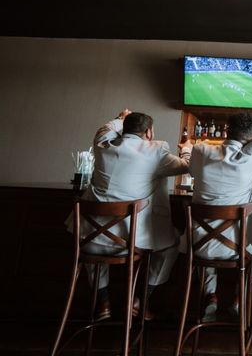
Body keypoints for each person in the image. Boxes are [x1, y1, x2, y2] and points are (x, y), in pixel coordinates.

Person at [70, 109, 192, 321]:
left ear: (124, 128)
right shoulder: (156, 151)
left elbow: (107, 128)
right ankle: (141, 300)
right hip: (129, 241)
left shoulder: (102, 143)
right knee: (171, 246)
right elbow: (187, 166)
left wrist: (121, 118)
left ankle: (103, 301)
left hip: (88, 238)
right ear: (149, 132)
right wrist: (187, 150)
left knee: (94, 249)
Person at [188, 106, 252, 321]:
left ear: (227, 129)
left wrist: (185, 149)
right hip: (236, 249)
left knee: (203, 244)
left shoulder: (201, 151)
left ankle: (210, 296)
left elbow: (192, 170)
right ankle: (240, 298)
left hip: (199, 246)